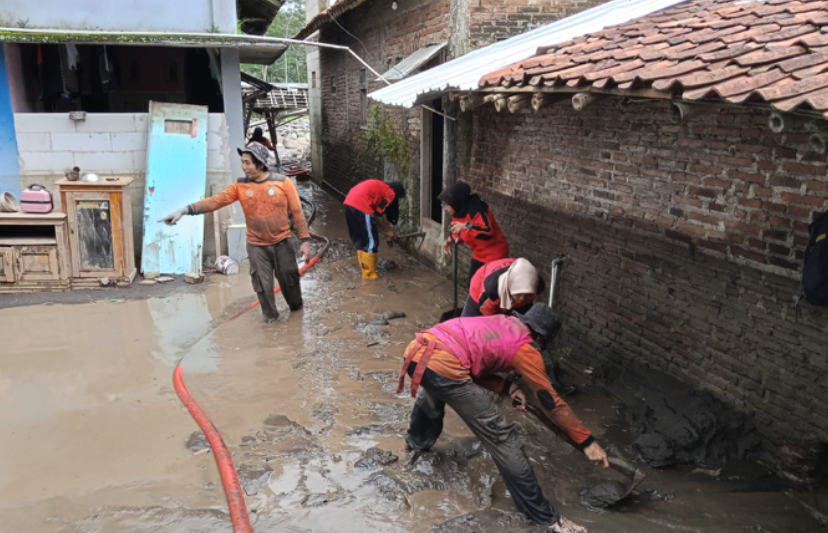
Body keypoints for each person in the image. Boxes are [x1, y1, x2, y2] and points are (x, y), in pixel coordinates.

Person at [397, 303, 607, 533]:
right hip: (444, 361)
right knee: (503, 436)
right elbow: (551, 403)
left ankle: (416, 446)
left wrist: (508, 387)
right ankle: (544, 517)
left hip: (418, 350)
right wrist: (587, 442)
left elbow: (474, 363)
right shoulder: (527, 349)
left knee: (435, 388)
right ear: (541, 338)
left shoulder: (501, 322)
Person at [162, 142, 311, 323]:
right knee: (263, 287)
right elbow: (215, 201)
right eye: (242, 162)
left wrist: (305, 240)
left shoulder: (283, 183)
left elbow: (297, 212)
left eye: (247, 162)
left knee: (290, 284)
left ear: (261, 163)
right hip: (257, 246)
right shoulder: (240, 186)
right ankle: (272, 325)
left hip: (282, 243)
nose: (243, 166)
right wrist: (184, 211)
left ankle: (297, 319)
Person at [438, 182, 509, 285]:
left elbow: (487, 231)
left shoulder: (477, 209)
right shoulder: (458, 212)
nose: (446, 209)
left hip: (495, 254)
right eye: (443, 205)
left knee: (488, 288)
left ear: (455, 202)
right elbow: (457, 230)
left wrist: (466, 225)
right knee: (472, 284)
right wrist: (451, 240)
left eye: (447, 205)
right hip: (479, 254)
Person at [344, 179, 405, 279]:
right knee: (371, 242)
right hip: (362, 206)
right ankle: (370, 276)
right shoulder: (391, 193)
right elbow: (378, 215)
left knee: (360, 239)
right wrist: (388, 231)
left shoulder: (381, 186)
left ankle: (364, 271)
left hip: (349, 203)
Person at [462, 257, 545, 317]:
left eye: (528, 295)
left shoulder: (533, 284)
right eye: (519, 294)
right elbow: (487, 317)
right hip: (479, 290)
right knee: (470, 325)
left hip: (507, 290)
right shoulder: (491, 289)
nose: (522, 299)